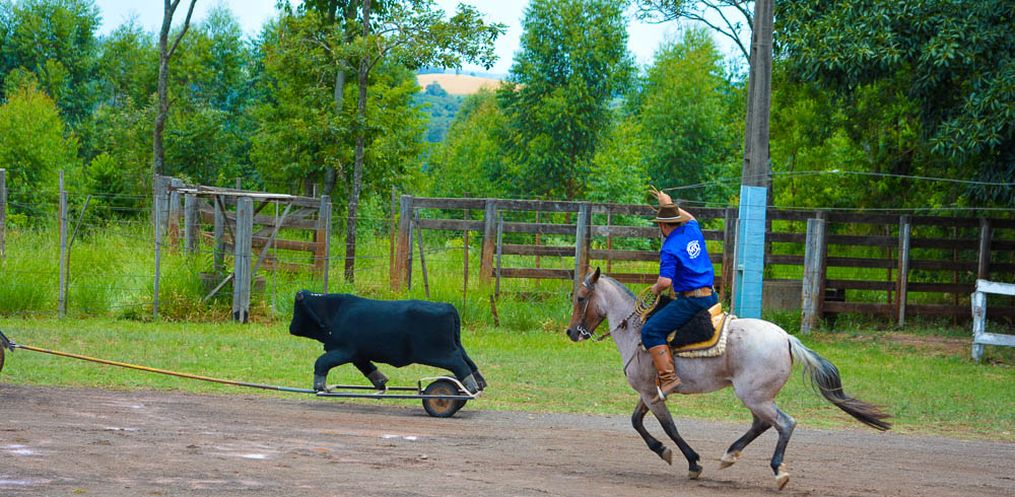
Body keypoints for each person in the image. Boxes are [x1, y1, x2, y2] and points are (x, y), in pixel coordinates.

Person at [642, 187, 718, 401]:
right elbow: (691, 217)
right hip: (711, 296)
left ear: (663, 226)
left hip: (692, 301)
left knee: (650, 330)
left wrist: (654, 289)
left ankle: (668, 378)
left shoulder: (669, 247)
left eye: (660, 224)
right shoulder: (692, 229)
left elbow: (665, 282)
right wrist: (669, 205)